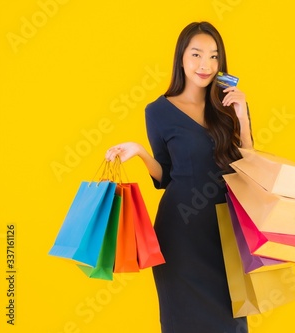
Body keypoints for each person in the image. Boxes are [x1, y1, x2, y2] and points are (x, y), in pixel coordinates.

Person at [105, 22, 253, 333]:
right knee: (182, 322)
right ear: (181, 58)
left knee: (233, 320)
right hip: (180, 233)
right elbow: (166, 175)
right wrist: (141, 153)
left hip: (227, 229)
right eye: (197, 54)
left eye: (214, 57)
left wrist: (242, 117)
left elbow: (249, 166)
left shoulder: (227, 106)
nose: (205, 65)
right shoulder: (157, 111)